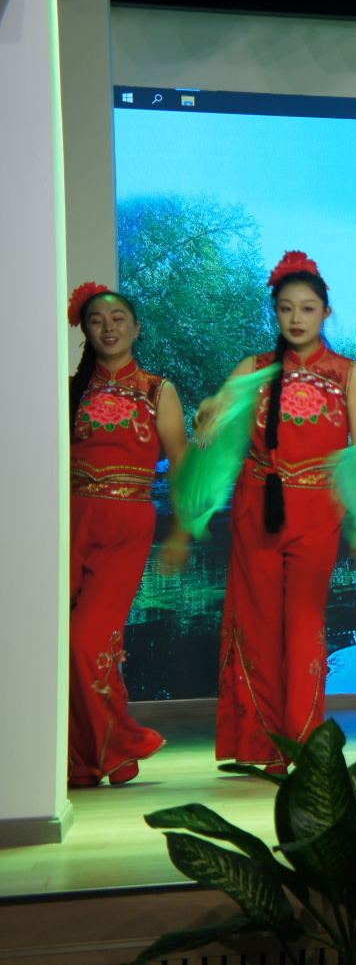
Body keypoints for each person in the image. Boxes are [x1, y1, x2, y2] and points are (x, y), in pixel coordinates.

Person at [216, 251, 356, 773]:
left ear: (326, 312)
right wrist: (209, 416)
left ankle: (302, 746)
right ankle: (262, 747)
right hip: (258, 507)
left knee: (305, 626)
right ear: (276, 313)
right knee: (258, 627)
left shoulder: (348, 373)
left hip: (319, 513)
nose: (297, 318)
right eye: (286, 308)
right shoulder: (253, 369)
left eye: (307, 308)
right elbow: (215, 422)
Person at [66, 282, 189, 786]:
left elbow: (181, 464)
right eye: (97, 320)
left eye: (118, 318)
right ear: (85, 331)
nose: (109, 327)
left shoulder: (158, 390)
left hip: (126, 527)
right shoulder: (70, 390)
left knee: (87, 639)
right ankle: (79, 759)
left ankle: (117, 743)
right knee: (56, 642)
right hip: (69, 523)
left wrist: (182, 532)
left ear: (136, 328)